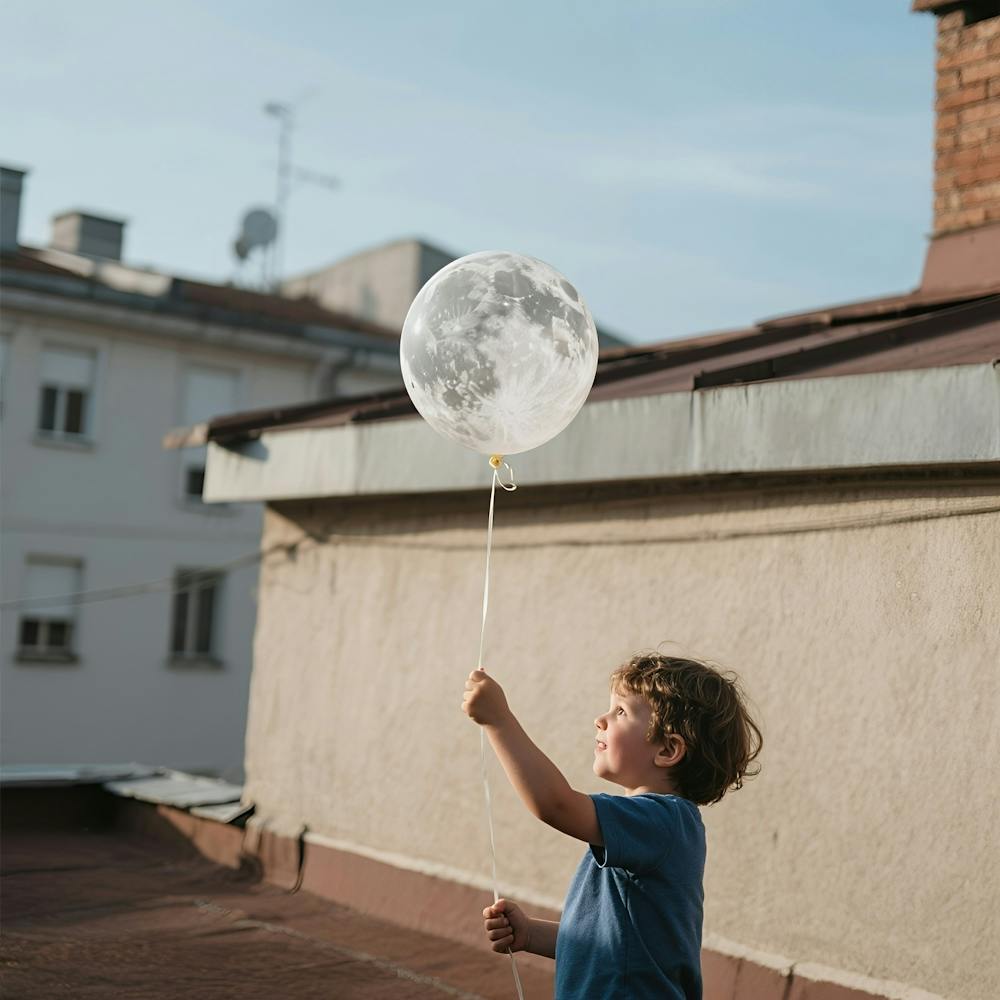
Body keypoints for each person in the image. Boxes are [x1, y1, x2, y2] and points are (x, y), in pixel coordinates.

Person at [462, 651, 762, 999]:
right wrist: (529, 934)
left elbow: (555, 804)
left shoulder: (661, 821)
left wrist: (499, 720)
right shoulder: (648, 828)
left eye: (621, 711)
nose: (600, 719)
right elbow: (613, 945)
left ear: (667, 749)